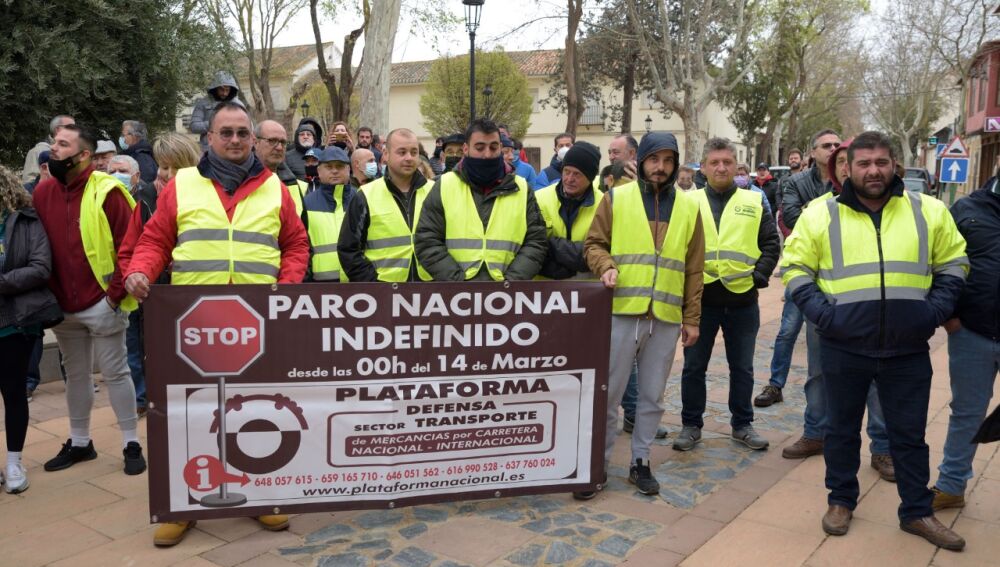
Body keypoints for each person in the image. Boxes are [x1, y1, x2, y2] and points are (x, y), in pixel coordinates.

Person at [124, 101, 309, 547]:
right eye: (225, 132)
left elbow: (295, 245)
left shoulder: (274, 186)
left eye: (242, 133)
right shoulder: (182, 184)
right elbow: (156, 239)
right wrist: (140, 271)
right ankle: (183, 505)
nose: (234, 140)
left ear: (253, 138)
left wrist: (286, 289)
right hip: (194, 322)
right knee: (192, 413)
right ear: (209, 138)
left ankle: (260, 496)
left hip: (259, 321)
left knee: (257, 409)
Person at [782, 130, 968, 549]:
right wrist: (825, 317)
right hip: (843, 345)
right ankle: (841, 501)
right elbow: (794, 269)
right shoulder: (820, 213)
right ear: (848, 168)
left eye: (881, 162)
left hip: (907, 348)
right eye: (863, 163)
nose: (873, 170)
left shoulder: (928, 210)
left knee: (909, 435)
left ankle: (917, 512)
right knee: (842, 430)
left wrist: (933, 312)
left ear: (894, 165)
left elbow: (955, 262)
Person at [581, 131, 705, 497]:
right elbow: (594, 244)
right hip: (621, 311)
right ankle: (596, 466)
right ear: (642, 159)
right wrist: (604, 264)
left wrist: (692, 317)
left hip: (664, 317)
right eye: (655, 160)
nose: (661, 168)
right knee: (609, 394)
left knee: (652, 396)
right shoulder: (615, 199)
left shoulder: (688, 207)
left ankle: (640, 461)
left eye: (668, 161)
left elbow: (694, 267)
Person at [31, 124, 145, 477]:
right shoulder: (43, 193)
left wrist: (113, 299)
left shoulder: (109, 191)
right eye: (54, 142)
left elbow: (130, 247)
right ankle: (80, 441)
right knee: (76, 375)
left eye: (62, 144)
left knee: (116, 373)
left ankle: (131, 443)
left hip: (103, 304)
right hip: (62, 306)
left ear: (83, 155)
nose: (54, 148)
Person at [674, 138, 780, 453]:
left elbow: (771, 244)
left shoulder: (754, 200)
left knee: (742, 367)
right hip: (700, 302)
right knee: (694, 366)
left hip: (742, 300)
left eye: (727, 162)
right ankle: (691, 425)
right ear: (703, 168)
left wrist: (758, 276)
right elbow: (675, 247)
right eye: (714, 162)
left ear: (736, 167)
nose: (721, 167)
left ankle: (742, 425)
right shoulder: (688, 202)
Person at [931, 155, 1000, 511]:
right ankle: (951, 486)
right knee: (967, 412)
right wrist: (950, 315)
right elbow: (942, 262)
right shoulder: (967, 209)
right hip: (974, 332)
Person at [414, 119, 547, 281]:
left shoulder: (522, 188)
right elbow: (427, 239)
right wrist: (458, 282)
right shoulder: (444, 185)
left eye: (493, 147)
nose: (487, 154)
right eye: (479, 148)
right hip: (455, 295)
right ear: (465, 149)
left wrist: (512, 282)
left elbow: (536, 241)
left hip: (509, 294)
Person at [0, 165, 54, 494]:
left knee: (14, 392)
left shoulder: (25, 221)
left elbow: (40, 267)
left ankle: (14, 462)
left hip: (14, 324)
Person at [338, 129, 431, 282]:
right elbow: (348, 249)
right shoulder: (365, 195)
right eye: (401, 152)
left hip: (430, 291)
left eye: (414, 152)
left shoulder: (434, 191)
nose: (409, 158)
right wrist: (373, 284)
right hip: (383, 294)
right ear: (386, 154)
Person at [535, 141, 602, 280]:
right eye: (566, 171)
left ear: (590, 177)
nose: (569, 179)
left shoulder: (604, 204)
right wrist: (551, 268)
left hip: (588, 294)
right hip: (545, 292)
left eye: (577, 174)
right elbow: (531, 245)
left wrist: (551, 245)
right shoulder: (539, 198)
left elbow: (602, 251)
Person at [302, 146, 355, 282]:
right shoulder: (307, 203)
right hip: (319, 286)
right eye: (329, 167)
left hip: (357, 282)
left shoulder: (361, 199)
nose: (335, 171)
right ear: (319, 171)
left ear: (348, 169)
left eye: (339, 166)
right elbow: (302, 248)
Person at [781, 130, 840, 230]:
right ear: (813, 153)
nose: (833, 149)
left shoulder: (850, 180)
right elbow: (790, 219)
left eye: (837, 145)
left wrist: (808, 208)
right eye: (826, 146)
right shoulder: (795, 182)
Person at [254, 120, 306, 215]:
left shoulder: (296, 185)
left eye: (283, 142)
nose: (279, 148)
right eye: (272, 141)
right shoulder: (240, 180)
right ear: (255, 142)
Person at [188, 71, 244, 149]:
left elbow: (248, 126)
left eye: (227, 90)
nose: (225, 93)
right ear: (215, 88)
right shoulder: (203, 103)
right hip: (209, 148)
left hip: (232, 147)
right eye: (222, 90)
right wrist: (215, 123)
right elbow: (194, 126)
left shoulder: (238, 104)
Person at [22, 115, 74, 184]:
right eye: (71, 127)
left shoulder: (75, 151)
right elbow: (28, 184)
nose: (75, 131)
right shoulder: (37, 151)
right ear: (58, 129)